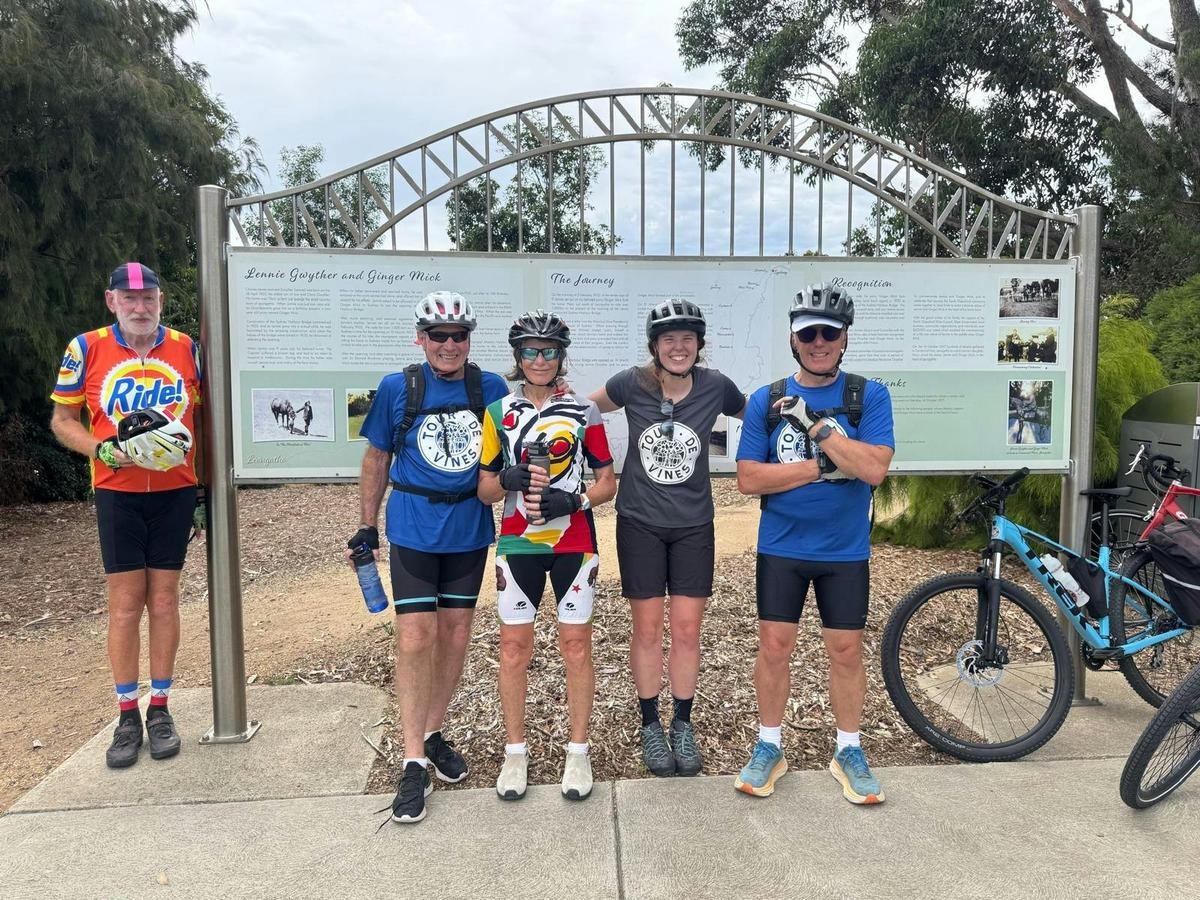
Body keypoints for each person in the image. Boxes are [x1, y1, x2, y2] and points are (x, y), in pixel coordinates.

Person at [350, 291, 508, 824]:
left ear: (469, 339)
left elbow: (521, 434)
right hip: (414, 527)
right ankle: (412, 757)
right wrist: (367, 525)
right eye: (437, 335)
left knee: (457, 636)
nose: (448, 344)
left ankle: (434, 730)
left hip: (468, 528)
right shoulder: (399, 387)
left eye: (458, 335)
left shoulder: (490, 388)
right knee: (416, 637)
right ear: (420, 338)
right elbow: (375, 457)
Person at [734, 283, 895, 804]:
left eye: (829, 333)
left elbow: (873, 470)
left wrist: (817, 429)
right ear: (794, 339)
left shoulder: (867, 396)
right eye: (809, 334)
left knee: (845, 651)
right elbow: (749, 479)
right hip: (782, 546)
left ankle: (848, 747)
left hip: (844, 550)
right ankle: (769, 745)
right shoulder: (767, 398)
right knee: (775, 647)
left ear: (844, 339)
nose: (819, 342)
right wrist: (820, 466)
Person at [50, 262, 204, 769]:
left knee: (163, 601)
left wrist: (204, 484)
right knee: (124, 606)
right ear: (111, 301)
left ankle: (159, 707)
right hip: (117, 492)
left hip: (174, 491)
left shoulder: (186, 348)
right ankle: (126, 714)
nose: (141, 308)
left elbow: (205, 416)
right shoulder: (86, 347)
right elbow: (62, 420)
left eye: (150, 299)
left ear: (160, 301)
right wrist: (99, 449)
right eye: (130, 299)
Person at [590, 299, 745, 778]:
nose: (678, 347)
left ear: (699, 345)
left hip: (694, 524)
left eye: (687, 339)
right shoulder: (631, 383)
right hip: (639, 520)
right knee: (648, 629)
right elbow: (582, 410)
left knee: (686, 630)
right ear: (654, 346)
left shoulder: (716, 386)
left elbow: (756, 414)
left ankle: (682, 721)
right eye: (668, 339)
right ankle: (650, 724)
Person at [478, 310, 616, 802]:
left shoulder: (584, 411)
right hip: (517, 544)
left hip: (574, 542)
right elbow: (484, 491)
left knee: (576, 645)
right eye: (531, 351)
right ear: (517, 357)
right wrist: (506, 480)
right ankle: (516, 752)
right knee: (514, 648)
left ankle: (578, 752)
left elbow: (607, 483)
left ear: (561, 356)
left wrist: (575, 499)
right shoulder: (498, 413)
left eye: (550, 350)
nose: (540, 359)